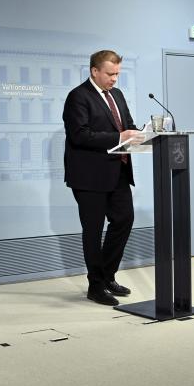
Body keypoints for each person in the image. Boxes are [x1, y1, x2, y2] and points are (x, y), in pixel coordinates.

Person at [62, 50, 142, 306]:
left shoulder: (117, 95)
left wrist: (143, 134)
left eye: (117, 73)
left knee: (124, 220)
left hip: (118, 171)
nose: (114, 79)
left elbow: (127, 125)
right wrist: (120, 137)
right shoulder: (78, 97)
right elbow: (80, 135)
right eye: (110, 74)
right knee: (93, 231)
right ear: (94, 71)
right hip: (89, 176)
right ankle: (95, 286)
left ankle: (107, 276)